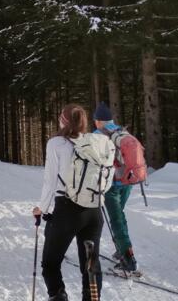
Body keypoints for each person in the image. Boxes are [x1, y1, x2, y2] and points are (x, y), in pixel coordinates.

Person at [33, 104, 116, 301]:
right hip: (94, 210)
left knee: (50, 262)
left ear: (64, 120)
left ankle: (58, 296)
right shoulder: (95, 142)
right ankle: (92, 298)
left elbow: (50, 180)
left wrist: (41, 208)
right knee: (90, 265)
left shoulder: (56, 143)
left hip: (67, 209)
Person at [93, 102, 139, 273]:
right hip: (127, 181)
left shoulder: (98, 135)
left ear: (97, 121)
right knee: (120, 214)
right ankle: (121, 249)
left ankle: (128, 258)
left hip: (111, 184)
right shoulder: (122, 131)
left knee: (116, 219)